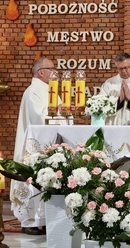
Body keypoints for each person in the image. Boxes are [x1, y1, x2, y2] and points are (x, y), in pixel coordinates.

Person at [12, 57, 62, 235]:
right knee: (32, 181)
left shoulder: (49, 90)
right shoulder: (33, 91)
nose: (55, 72)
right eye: (52, 69)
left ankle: (45, 219)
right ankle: (30, 222)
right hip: (34, 147)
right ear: (41, 72)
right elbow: (40, 118)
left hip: (48, 145)